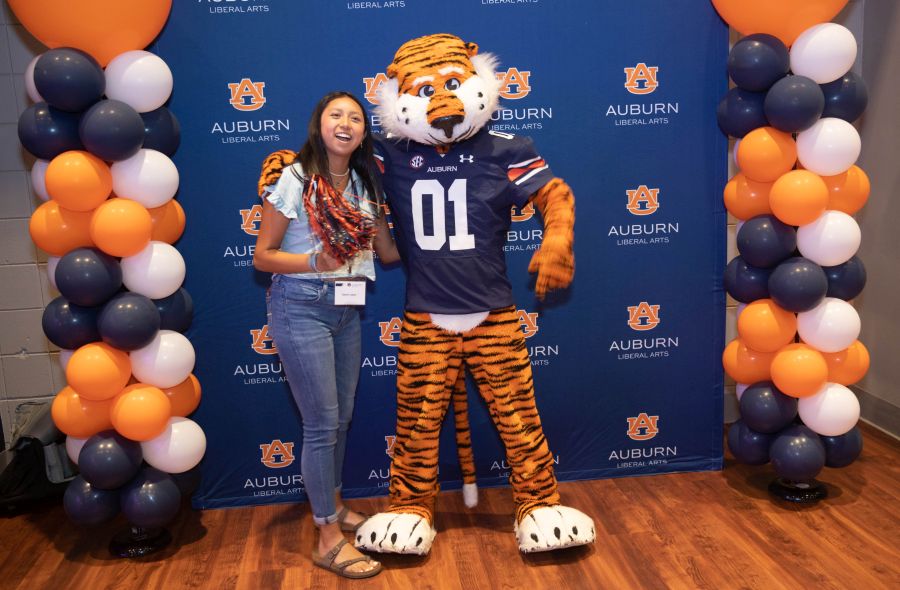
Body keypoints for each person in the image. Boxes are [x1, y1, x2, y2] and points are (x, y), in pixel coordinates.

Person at [253, 91, 398, 579]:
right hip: (301, 308)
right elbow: (263, 256)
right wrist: (315, 261)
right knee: (321, 424)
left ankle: (334, 509)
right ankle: (327, 538)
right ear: (319, 124)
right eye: (336, 114)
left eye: (355, 117)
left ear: (362, 133)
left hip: (346, 310)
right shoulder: (296, 178)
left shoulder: (362, 181)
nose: (346, 122)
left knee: (341, 418)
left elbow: (389, 252)